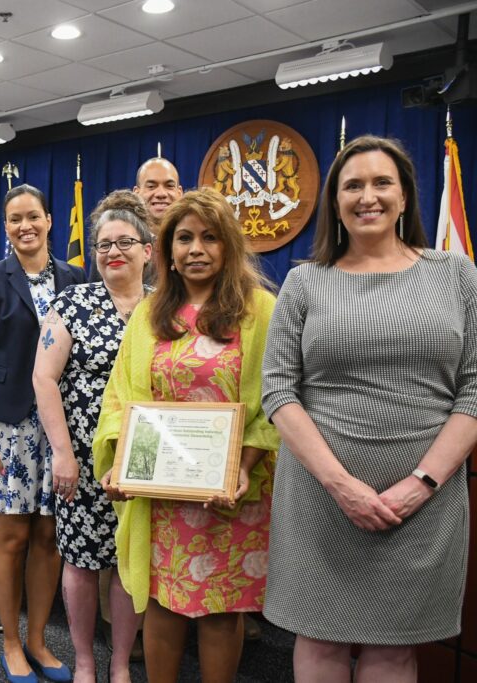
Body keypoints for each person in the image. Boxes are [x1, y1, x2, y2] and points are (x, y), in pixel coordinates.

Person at [262, 135, 477, 683]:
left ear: (405, 196)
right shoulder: (305, 281)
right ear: (334, 201)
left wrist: (420, 484)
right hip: (319, 498)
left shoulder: (456, 276)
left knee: (395, 651)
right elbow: (279, 392)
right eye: (352, 185)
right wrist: (341, 486)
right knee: (319, 639)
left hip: (424, 506)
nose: (368, 196)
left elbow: (473, 391)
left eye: (382, 182)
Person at [92, 188, 279, 683]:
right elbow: (120, 398)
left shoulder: (260, 311)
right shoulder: (151, 315)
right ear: (168, 251)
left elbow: (275, 402)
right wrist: (119, 461)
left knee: (221, 608)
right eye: (184, 238)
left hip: (231, 491)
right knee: (163, 601)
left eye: (210, 237)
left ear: (229, 246)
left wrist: (242, 467)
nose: (196, 249)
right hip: (163, 493)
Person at [0, 184, 85, 683]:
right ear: (5, 227)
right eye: (14, 219)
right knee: (10, 540)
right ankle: (11, 642)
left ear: (50, 220)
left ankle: (38, 640)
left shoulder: (75, 277)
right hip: (6, 432)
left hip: (57, 430)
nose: (24, 226)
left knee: (49, 538)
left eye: (32, 216)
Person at [33, 208, 153, 683]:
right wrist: (62, 453)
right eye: (103, 245)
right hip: (79, 460)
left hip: (144, 461)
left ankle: (120, 662)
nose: (112, 252)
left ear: (147, 251)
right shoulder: (73, 302)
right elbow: (44, 378)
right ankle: (85, 660)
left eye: (124, 242)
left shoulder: (164, 306)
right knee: (82, 561)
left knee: (130, 561)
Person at [133, 157, 183, 233]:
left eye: (169, 186)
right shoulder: (124, 238)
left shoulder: (192, 238)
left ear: (180, 193)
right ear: (136, 194)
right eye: (151, 186)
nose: (161, 194)